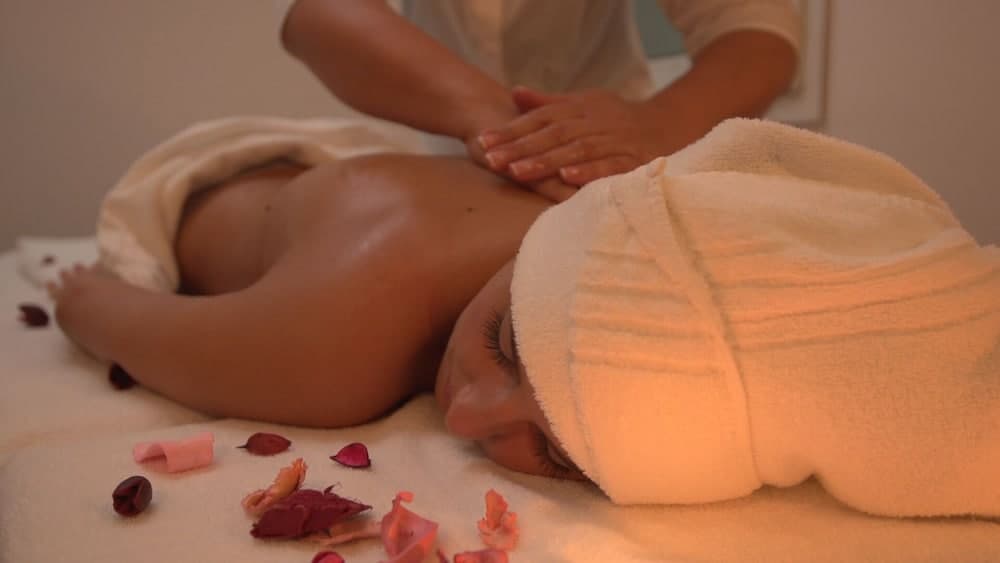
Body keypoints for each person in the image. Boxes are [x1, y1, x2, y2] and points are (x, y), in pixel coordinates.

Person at [50, 117, 1000, 519]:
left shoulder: (626, 200)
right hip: (209, 178)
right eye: (503, 341)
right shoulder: (333, 344)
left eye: (551, 451)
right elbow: (94, 304)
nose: (467, 414)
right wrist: (96, 298)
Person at [278, 0, 801, 200]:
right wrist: (507, 129)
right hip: (449, 160)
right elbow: (319, 12)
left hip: (626, 158)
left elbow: (755, 27)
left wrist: (661, 123)